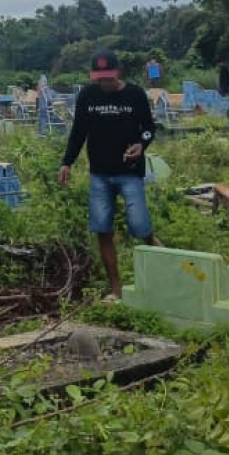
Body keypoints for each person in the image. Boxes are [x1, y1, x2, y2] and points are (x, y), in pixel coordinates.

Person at [59, 51, 161, 301]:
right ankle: (116, 289)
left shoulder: (135, 94)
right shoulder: (88, 95)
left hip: (129, 172)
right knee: (102, 228)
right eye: (100, 78)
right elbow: (78, 132)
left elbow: (148, 128)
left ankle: (157, 254)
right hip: (100, 174)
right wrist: (67, 162)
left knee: (139, 225)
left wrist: (141, 145)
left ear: (119, 71)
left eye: (108, 77)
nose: (104, 83)